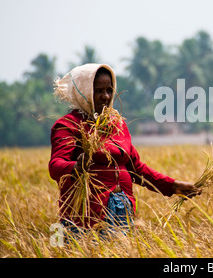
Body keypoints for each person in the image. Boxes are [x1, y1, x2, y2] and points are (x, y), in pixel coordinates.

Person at [49, 63, 201, 232]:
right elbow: (55, 166)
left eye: (109, 90)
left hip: (123, 210)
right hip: (87, 216)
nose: (105, 96)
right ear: (84, 92)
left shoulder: (117, 124)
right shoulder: (68, 125)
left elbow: (136, 169)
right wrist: (75, 168)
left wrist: (172, 186)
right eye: (98, 91)